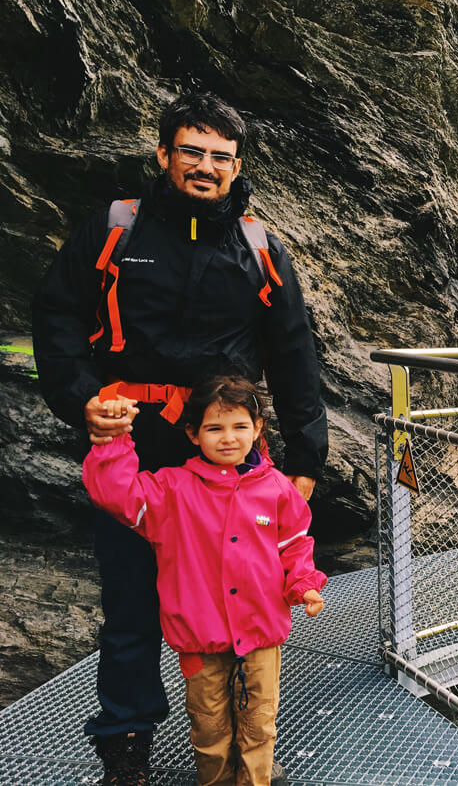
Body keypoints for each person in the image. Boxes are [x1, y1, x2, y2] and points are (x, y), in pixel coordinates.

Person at [32, 92, 327, 785]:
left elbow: (294, 354)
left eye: (220, 157)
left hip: (230, 457)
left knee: (246, 611)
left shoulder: (260, 247)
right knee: (130, 607)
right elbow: (57, 316)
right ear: (163, 155)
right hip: (134, 452)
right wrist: (83, 403)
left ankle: (246, 755)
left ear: (237, 165)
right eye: (191, 152)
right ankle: (125, 745)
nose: (205, 167)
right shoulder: (115, 230)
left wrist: (305, 462)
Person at [82, 376, 326, 786]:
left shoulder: (278, 489)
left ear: (258, 428)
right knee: (209, 733)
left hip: (261, 635)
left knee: (259, 729)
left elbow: (294, 544)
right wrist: (115, 441)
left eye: (239, 426)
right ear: (193, 434)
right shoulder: (170, 490)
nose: (228, 438)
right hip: (200, 639)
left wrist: (304, 584)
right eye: (214, 428)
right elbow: (117, 495)